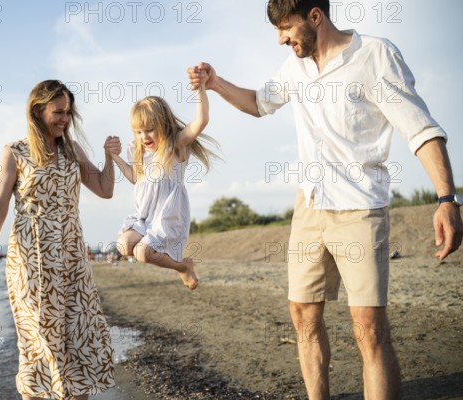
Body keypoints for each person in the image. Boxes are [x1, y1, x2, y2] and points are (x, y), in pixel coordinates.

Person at [187, 1, 463, 399]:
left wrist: (446, 199)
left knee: (368, 326)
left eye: (286, 27)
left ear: (315, 16)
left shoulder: (374, 55)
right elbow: (258, 104)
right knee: (302, 314)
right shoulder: (295, 67)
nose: (281, 38)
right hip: (310, 206)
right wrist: (215, 82)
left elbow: (420, 128)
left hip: (361, 208)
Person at [0, 80, 121, 400]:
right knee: (40, 343)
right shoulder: (15, 152)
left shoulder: (72, 150)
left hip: (72, 259)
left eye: (68, 112)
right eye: (58, 112)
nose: (64, 118)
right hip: (30, 259)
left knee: (80, 335)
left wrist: (110, 159)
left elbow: (105, 190)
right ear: (38, 111)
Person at [109, 68, 219, 290]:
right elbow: (134, 178)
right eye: (138, 132)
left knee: (142, 253)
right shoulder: (138, 150)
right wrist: (114, 157)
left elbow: (201, 120)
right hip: (144, 215)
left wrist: (200, 89)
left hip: (168, 214)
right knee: (123, 245)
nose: (144, 137)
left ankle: (183, 267)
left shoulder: (176, 145)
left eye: (150, 130)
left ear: (162, 125)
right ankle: (175, 261)